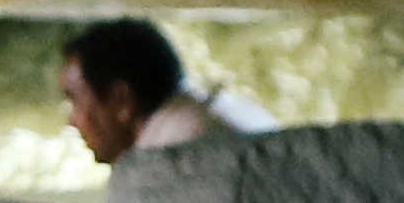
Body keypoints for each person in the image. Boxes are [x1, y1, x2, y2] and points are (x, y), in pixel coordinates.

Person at [55, 19, 262, 163]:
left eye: (76, 101)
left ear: (121, 101)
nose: (72, 120)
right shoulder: (219, 112)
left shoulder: (174, 155)